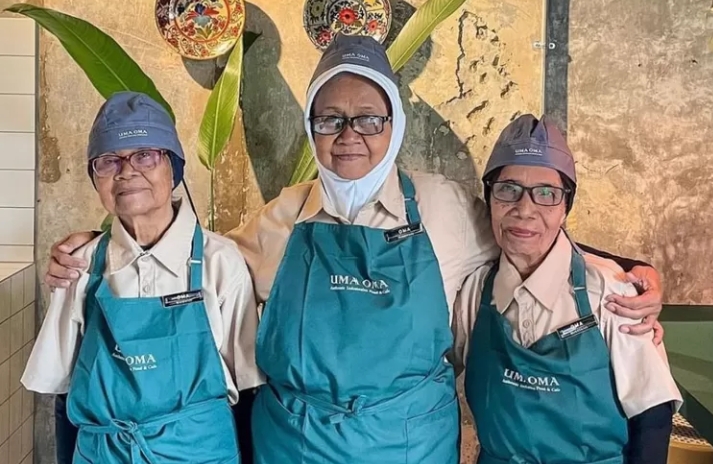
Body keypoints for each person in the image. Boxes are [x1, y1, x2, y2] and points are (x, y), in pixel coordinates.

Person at [43, 36, 665, 464]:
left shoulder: (444, 208)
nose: (349, 137)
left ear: (392, 123)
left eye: (368, 118)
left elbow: (527, 223)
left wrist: (630, 270)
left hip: (407, 447)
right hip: (295, 444)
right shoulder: (281, 217)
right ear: (311, 126)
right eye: (329, 118)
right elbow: (182, 255)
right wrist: (99, 244)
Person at [22, 92, 263, 463]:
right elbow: (65, 392)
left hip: (199, 453)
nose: (127, 171)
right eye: (108, 161)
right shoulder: (80, 265)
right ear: (96, 178)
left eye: (145, 155)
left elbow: (248, 391)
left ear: (173, 167)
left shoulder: (219, 262)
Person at [453, 114, 682, 464]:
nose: (525, 209)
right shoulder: (474, 292)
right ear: (490, 201)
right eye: (508, 190)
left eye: (546, 193)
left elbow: (652, 415)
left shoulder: (609, 292)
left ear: (565, 207)